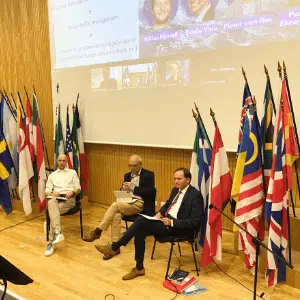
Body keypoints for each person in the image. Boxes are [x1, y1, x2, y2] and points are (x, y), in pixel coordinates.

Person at [95, 168, 203, 280]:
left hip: (178, 227)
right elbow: (167, 205)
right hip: (165, 221)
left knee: (141, 221)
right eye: (175, 178)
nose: (176, 181)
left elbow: (195, 221)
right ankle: (139, 267)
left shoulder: (195, 195)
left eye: (179, 179)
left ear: (188, 179)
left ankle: (114, 247)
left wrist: (172, 222)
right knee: (139, 230)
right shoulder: (175, 190)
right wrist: (160, 213)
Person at [82, 155, 155, 260]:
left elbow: (151, 192)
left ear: (140, 164)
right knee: (116, 215)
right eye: (130, 165)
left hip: (140, 203)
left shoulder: (148, 175)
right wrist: (123, 189)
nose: (132, 168)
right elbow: (124, 191)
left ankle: (98, 231)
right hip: (128, 202)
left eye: (134, 165)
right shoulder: (127, 175)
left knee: (115, 205)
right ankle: (115, 247)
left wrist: (133, 187)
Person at [44, 154, 81, 257]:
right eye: (60, 160)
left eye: (64, 160)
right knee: (51, 202)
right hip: (56, 198)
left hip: (68, 199)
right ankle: (57, 233)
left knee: (52, 214)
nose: (61, 162)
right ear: (57, 161)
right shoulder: (52, 175)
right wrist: (52, 194)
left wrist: (72, 192)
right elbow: (46, 191)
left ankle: (51, 243)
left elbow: (78, 188)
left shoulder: (72, 173)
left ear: (66, 162)